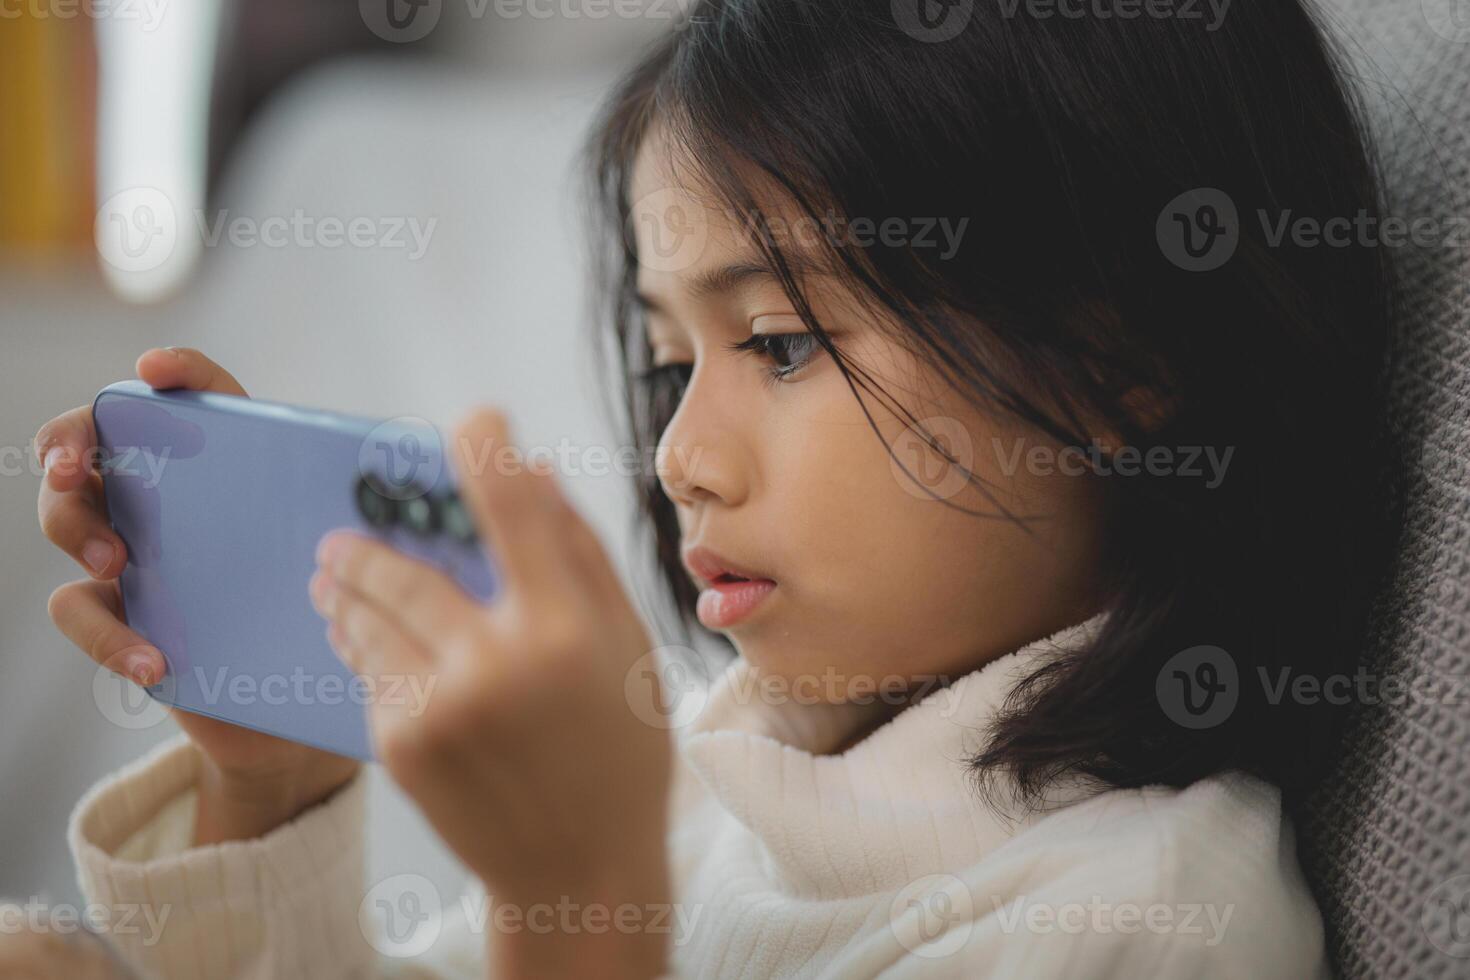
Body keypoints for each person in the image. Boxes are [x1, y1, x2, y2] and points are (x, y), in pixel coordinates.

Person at [31, 0, 1394, 975]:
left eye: (781, 344)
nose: (679, 456)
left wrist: (580, 888)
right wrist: (268, 784)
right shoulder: (711, 778)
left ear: (1120, 364)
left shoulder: (1140, 922)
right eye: (669, 361)